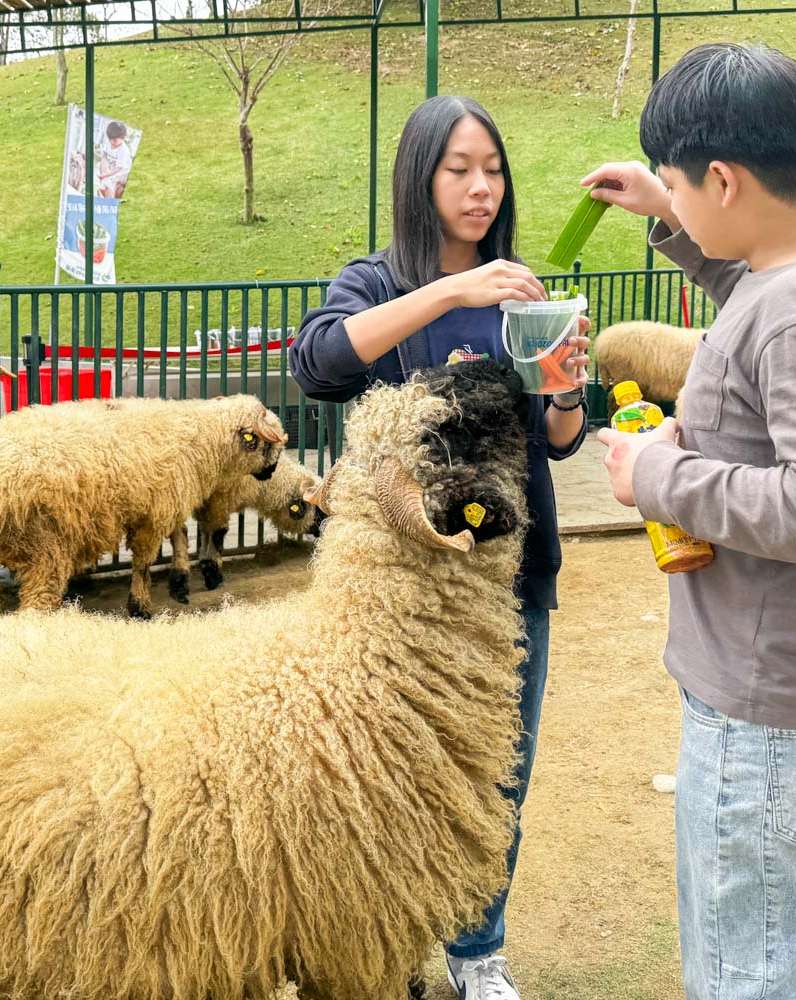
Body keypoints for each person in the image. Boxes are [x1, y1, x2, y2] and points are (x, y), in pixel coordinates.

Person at [589, 44, 796, 1000]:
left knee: (757, 979)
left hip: (770, 729)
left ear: (723, 181)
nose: (679, 202)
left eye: (685, 186)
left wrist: (659, 475)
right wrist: (667, 212)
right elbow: (754, 302)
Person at [289, 95, 590, 1000]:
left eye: (492, 169)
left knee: (491, 773)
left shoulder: (523, 294)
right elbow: (318, 363)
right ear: (419, 178)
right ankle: (381, 947)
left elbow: (556, 441)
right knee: (379, 774)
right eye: (458, 169)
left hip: (507, 577)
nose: (479, 187)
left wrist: (565, 390)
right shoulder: (378, 281)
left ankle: (477, 953)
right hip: (395, 583)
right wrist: (455, 290)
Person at [97, 120, 133, 198]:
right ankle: (108, 200)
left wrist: (105, 175)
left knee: (109, 184)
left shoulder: (124, 151)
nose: (111, 142)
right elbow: (104, 157)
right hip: (112, 170)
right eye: (109, 139)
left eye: (114, 140)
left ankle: (110, 201)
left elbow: (118, 168)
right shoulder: (108, 143)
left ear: (123, 138)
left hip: (122, 172)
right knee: (102, 187)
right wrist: (103, 173)